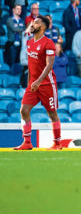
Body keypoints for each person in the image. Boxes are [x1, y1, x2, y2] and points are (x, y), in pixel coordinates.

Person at [13, 15, 61, 150]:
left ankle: (57, 143)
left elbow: (49, 65)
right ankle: (27, 142)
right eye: (33, 22)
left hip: (47, 84)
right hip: (33, 84)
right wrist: (30, 83)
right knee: (24, 110)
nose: (33, 24)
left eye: (36, 22)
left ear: (43, 27)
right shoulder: (29, 42)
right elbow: (30, 66)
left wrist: (39, 81)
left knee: (52, 114)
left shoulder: (48, 43)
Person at [5, 5, 24, 69]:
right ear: (13, 10)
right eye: (17, 9)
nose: (19, 10)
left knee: (19, 64)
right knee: (12, 64)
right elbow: (15, 29)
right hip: (12, 45)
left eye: (20, 9)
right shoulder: (9, 20)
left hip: (20, 45)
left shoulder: (22, 21)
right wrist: (24, 29)